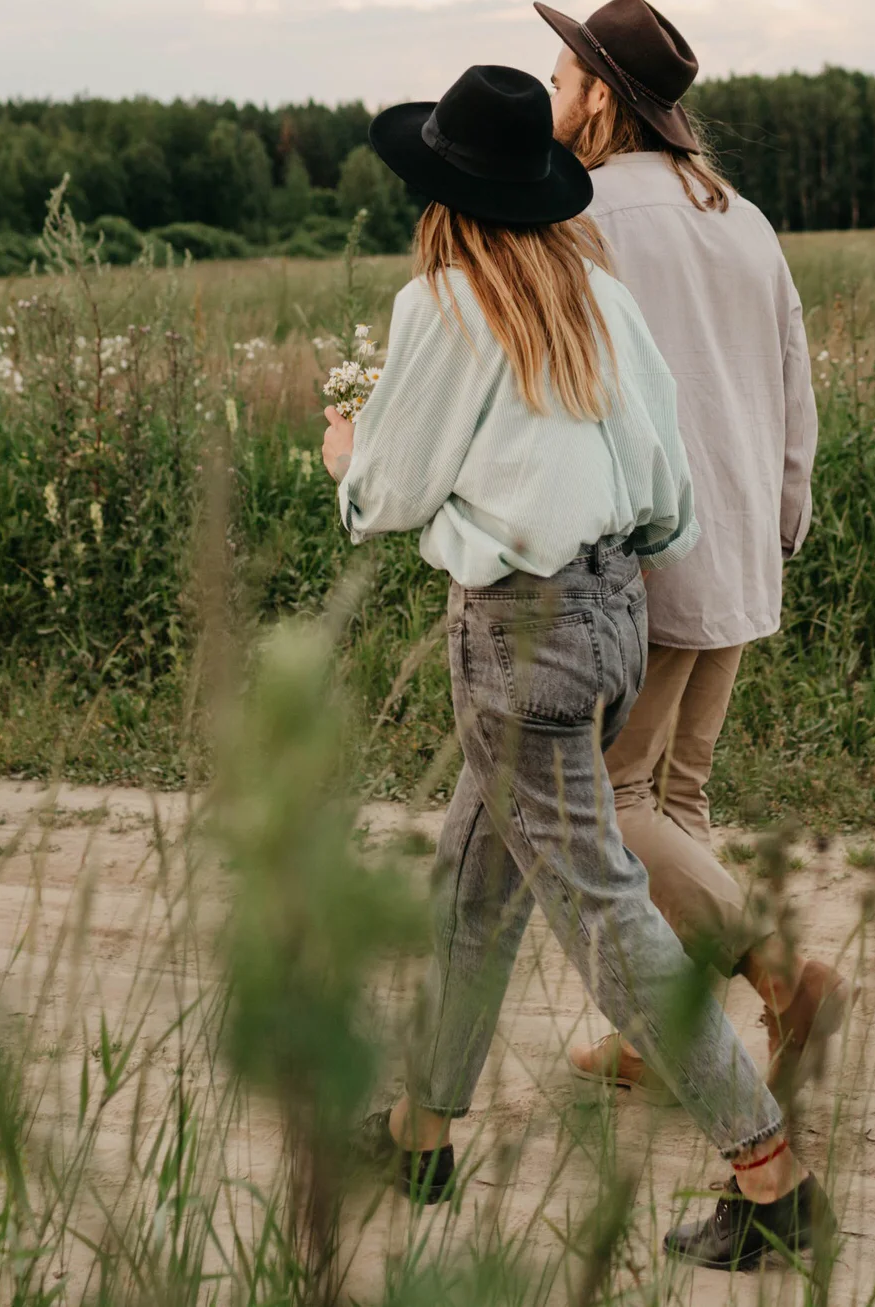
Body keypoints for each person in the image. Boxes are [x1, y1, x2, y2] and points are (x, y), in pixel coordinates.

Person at [330, 64, 824, 1269]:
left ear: (440, 194)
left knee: (602, 911)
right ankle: (419, 1128)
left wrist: (345, 450)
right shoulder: (595, 298)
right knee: (471, 884)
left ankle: (770, 1175)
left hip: (514, 634)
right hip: (612, 613)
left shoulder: (441, 308)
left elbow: (387, 497)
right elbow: (666, 493)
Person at [533, 0, 841, 1103]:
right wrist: (779, 521)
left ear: (602, 97)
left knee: (618, 806)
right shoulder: (738, 212)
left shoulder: (580, 217)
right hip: (746, 545)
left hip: (652, 557)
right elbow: (793, 381)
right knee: (682, 804)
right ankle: (669, 1040)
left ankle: (781, 972)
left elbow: (564, 389)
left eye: (562, 82)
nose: (550, 98)